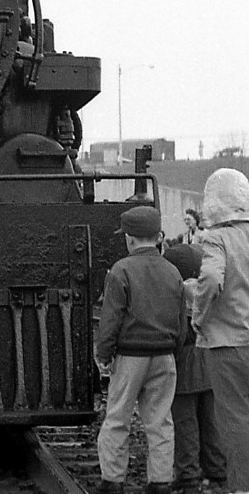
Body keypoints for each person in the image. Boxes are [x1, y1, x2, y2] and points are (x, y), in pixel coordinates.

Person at [95, 205, 187, 494]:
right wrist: (175, 350)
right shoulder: (173, 272)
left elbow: (111, 319)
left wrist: (103, 354)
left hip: (130, 357)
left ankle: (113, 482)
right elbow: (181, 320)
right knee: (160, 422)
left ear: (130, 239)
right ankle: (160, 483)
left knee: (117, 419)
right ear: (158, 236)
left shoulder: (121, 270)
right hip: (164, 356)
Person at [192, 167, 249, 494]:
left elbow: (212, 280)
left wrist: (198, 314)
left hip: (229, 344)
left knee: (236, 422)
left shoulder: (217, 238)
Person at [163, 244, 226, 494]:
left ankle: (188, 474)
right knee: (211, 420)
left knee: (185, 421)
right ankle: (217, 470)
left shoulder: (180, 294)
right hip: (212, 362)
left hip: (186, 364)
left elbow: (178, 333)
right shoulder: (212, 290)